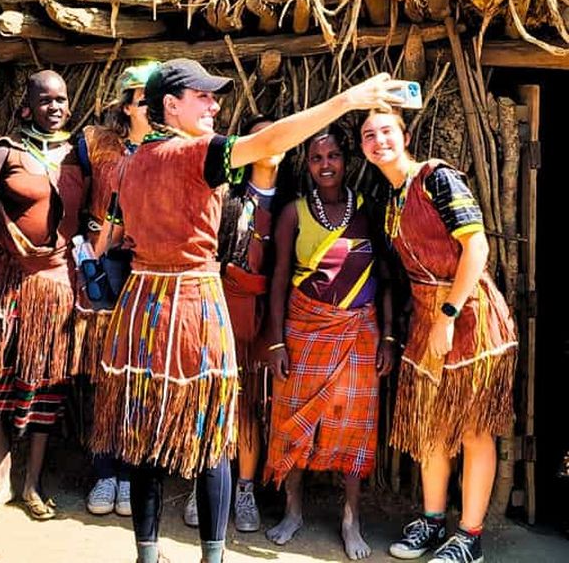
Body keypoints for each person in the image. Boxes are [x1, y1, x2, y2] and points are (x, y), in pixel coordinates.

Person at [90, 58, 403, 563]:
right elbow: (272, 141)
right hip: (193, 308)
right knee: (214, 438)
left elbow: (118, 232)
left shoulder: (128, 161)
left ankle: (146, 555)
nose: (215, 105)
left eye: (216, 96)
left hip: (142, 312)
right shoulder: (200, 153)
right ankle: (212, 557)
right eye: (203, 96)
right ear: (170, 105)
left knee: (144, 440)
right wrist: (346, 101)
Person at [360, 110, 517, 563]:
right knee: (431, 426)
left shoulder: (436, 179)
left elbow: (477, 247)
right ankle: (431, 521)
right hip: (426, 319)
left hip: (470, 316)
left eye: (386, 131)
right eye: (368, 135)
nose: (378, 141)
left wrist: (448, 315)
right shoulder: (388, 196)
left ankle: (470, 538)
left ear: (405, 136)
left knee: (472, 428)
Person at [262, 125, 394, 560]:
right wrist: (277, 342)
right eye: (317, 158)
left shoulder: (367, 210)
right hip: (303, 330)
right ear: (307, 163)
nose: (325, 165)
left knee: (354, 427)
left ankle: (350, 519)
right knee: (291, 421)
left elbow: (386, 277)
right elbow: (278, 279)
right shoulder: (294, 213)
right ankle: (293, 510)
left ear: (347, 159)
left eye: (333, 156)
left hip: (359, 333)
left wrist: (388, 337)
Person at [0, 70, 86, 523]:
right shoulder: (3, 152)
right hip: (9, 282)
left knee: (45, 384)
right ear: (27, 107)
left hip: (57, 286)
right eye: (45, 100)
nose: (54, 107)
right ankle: (1, 484)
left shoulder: (79, 156)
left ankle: (32, 485)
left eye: (61, 100)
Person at [183, 115, 295, 533]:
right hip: (222, 308)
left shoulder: (291, 203)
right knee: (211, 398)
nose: (271, 144)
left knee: (250, 406)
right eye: (262, 136)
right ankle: (202, 483)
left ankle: (244, 488)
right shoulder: (225, 196)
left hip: (264, 317)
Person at [80, 62, 158, 518]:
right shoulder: (97, 146)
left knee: (142, 371)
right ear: (127, 106)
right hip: (106, 265)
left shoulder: (173, 149)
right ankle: (105, 470)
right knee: (105, 370)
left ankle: (133, 473)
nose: (151, 107)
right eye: (144, 99)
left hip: (151, 270)